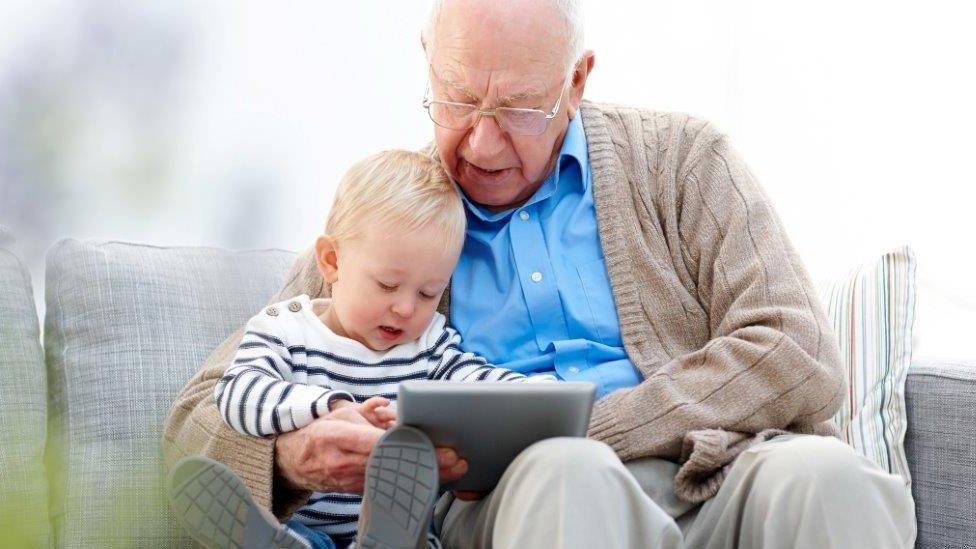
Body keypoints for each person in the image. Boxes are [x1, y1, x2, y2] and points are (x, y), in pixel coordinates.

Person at [164, 0, 916, 547]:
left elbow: (798, 351)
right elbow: (196, 418)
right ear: (426, 62)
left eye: (520, 107)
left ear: (577, 80)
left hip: (721, 470)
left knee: (828, 477)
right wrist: (293, 456)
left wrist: (593, 423)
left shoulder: (685, 160)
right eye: (457, 98)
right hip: (524, 497)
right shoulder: (398, 222)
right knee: (567, 472)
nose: (482, 143)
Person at [168, 150, 554, 549]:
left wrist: (534, 393)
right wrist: (330, 407)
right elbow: (237, 392)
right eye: (387, 285)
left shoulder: (428, 345)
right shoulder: (285, 331)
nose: (406, 308)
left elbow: (476, 379)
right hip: (303, 527)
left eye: (428, 293)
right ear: (332, 261)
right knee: (300, 537)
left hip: (404, 536)